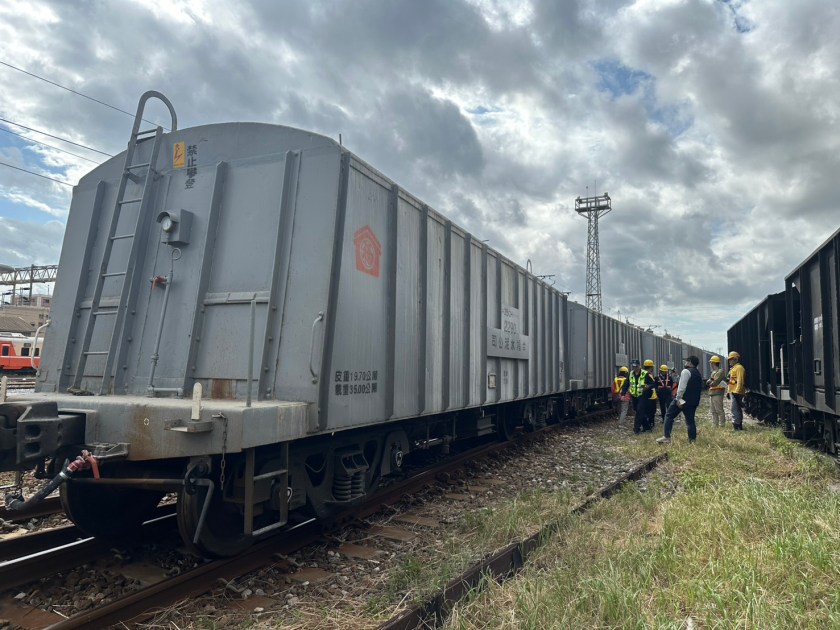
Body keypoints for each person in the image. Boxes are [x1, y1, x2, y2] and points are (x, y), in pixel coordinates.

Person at [656, 355, 703, 444]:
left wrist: (678, 398)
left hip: (682, 400)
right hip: (693, 401)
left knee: (669, 415)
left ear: (690, 362)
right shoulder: (697, 373)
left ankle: (666, 437)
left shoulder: (686, 371)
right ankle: (692, 440)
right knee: (690, 421)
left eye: (687, 361)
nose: (685, 363)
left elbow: (682, 387)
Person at [621, 359, 656, 434]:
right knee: (638, 411)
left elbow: (653, 384)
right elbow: (626, 384)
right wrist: (623, 394)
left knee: (639, 411)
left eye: (636, 366)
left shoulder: (645, 374)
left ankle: (636, 429)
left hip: (643, 395)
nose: (634, 368)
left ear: (639, 366)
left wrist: (648, 386)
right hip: (634, 396)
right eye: (633, 367)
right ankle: (647, 427)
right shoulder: (630, 374)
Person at [726, 350, 746, 430]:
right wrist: (728, 392)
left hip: (736, 392)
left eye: (731, 359)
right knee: (736, 409)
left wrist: (737, 392)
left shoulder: (739, 368)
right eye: (729, 359)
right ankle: (738, 425)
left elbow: (740, 380)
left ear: (735, 359)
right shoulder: (733, 369)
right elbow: (733, 381)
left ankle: (736, 426)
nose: (729, 361)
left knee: (735, 409)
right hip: (733, 392)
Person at [706, 355, 726, 427]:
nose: (710, 364)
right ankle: (715, 425)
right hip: (712, 393)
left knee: (719, 410)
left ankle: (722, 425)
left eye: (711, 363)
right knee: (713, 410)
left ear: (713, 363)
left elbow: (715, 382)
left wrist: (710, 382)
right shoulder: (714, 372)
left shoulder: (720, 372)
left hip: (718, 392)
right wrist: (710, 382)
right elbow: (708, 382)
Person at [643, 360, 659, 425]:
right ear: (650, 367)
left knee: (650, 411)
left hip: (651, 396)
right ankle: (649, 424)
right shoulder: (647, 375)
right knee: (650, 411)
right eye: (652, 367)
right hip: (649, 396)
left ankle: (650, 423)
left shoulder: (648, 374)